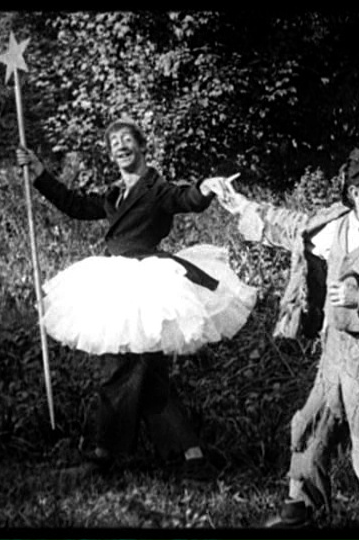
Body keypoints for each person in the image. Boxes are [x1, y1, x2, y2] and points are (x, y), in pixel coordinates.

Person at [209, 144, 359, 527]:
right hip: (335, 353)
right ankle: (302, 511)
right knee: (310, 429)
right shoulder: (334, 225)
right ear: (356, 194)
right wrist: (240, 205)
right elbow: (288, 225)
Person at [16, 118, 257, 481]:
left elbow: (186, 199)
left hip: (147, 285)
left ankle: (104, 455)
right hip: (117, 284)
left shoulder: (157, 189)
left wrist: (206, 187)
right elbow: (76, 205)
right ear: (111, 154)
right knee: (148, 372)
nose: (120, 146)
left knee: (121, 366)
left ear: (142, 147)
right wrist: (39, 174)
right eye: (114, 142)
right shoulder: (114, 194)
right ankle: (190, 455)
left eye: (127, 139)